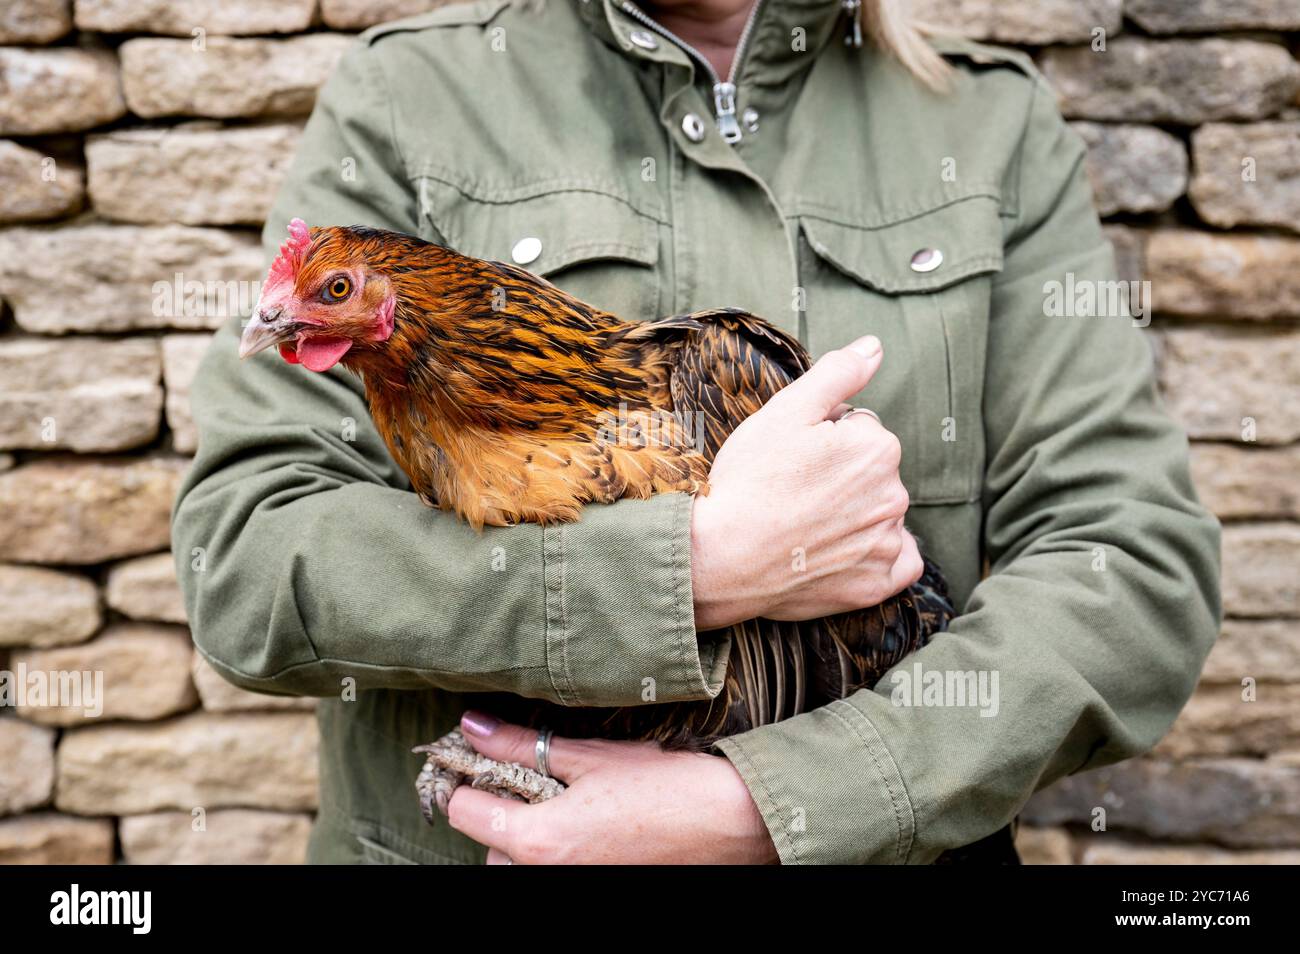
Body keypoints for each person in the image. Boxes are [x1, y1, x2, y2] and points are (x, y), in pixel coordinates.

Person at [171, 0, 1221, 864]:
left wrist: (775, 806)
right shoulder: (412, 98)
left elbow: (1128, 567)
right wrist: (689, 571)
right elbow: (247, 563)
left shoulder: (983, 123)